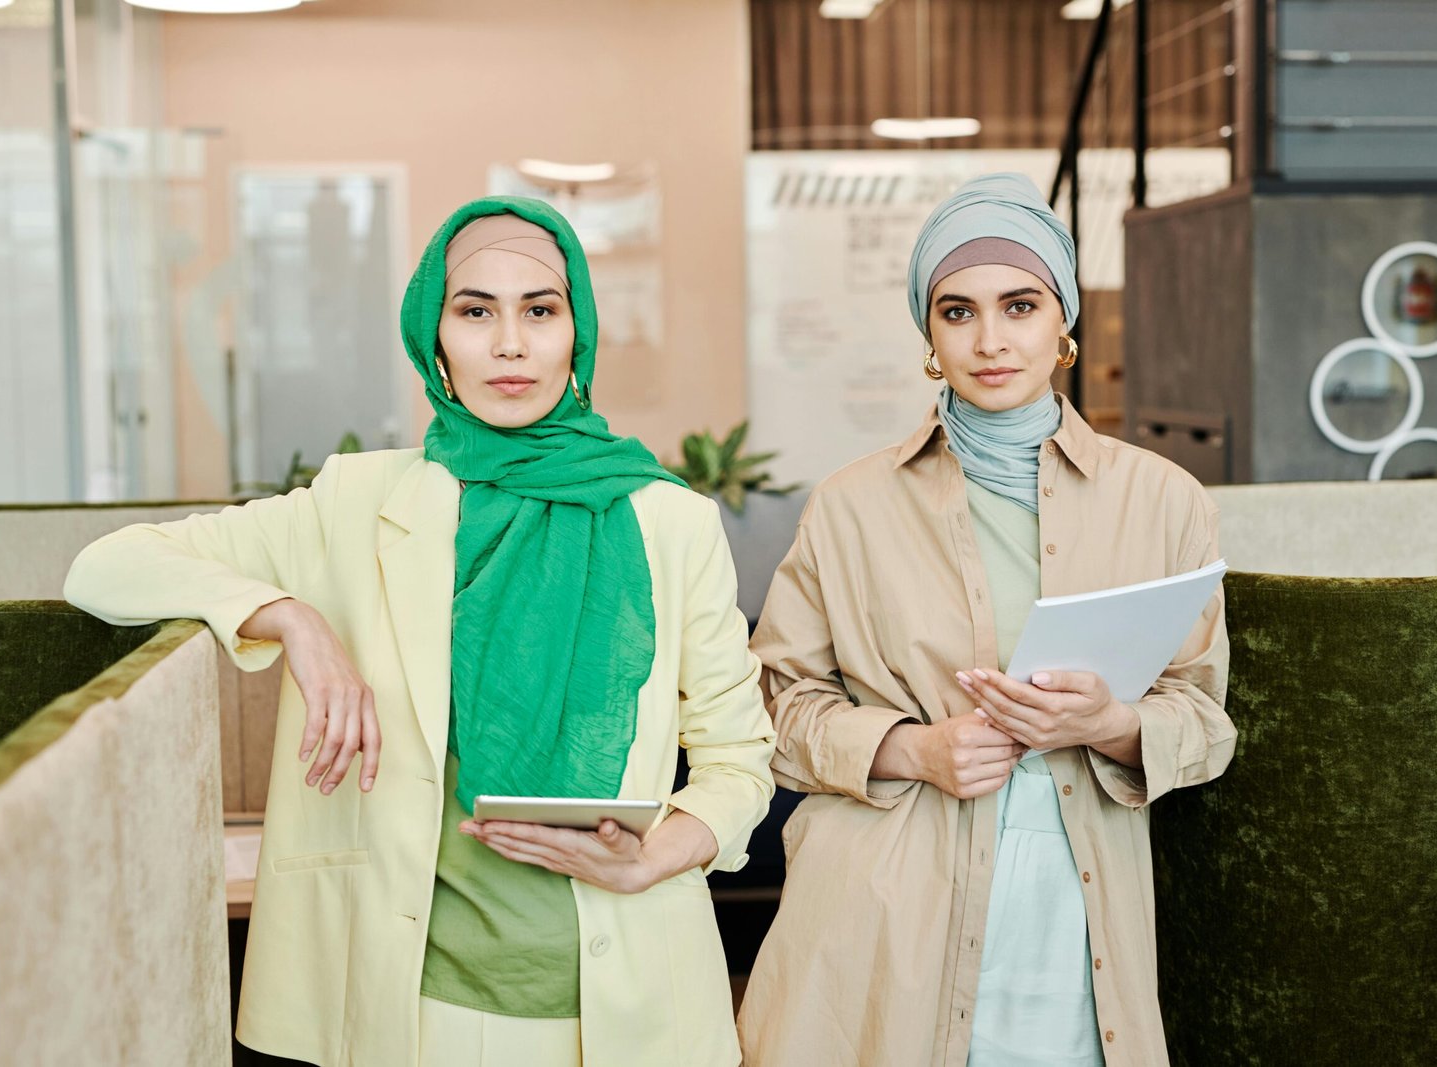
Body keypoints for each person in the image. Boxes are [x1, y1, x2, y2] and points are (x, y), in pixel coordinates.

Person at [65, 196, 774, 1067]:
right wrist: (291, 619)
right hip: (412, 1003)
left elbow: (740, 760)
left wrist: (658, 853)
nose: (510, 343)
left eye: (539, 311)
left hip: (631, 996)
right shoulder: (354, 502)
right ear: (434, 336)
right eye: (476, 310)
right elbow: (104, 567)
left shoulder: (671, 522)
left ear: (576, 331)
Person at [736, 173, 1234, 1067]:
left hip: (1077, 913)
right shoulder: (851, 507)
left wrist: (1113, 723)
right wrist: (910, 749)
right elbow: (772, 712)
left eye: (1020, 305)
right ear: (929, 333)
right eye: (957, 312)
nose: (991, 339)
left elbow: (1204, 718)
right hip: (883, 913)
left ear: (1064, 322)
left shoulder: (1164, 501)